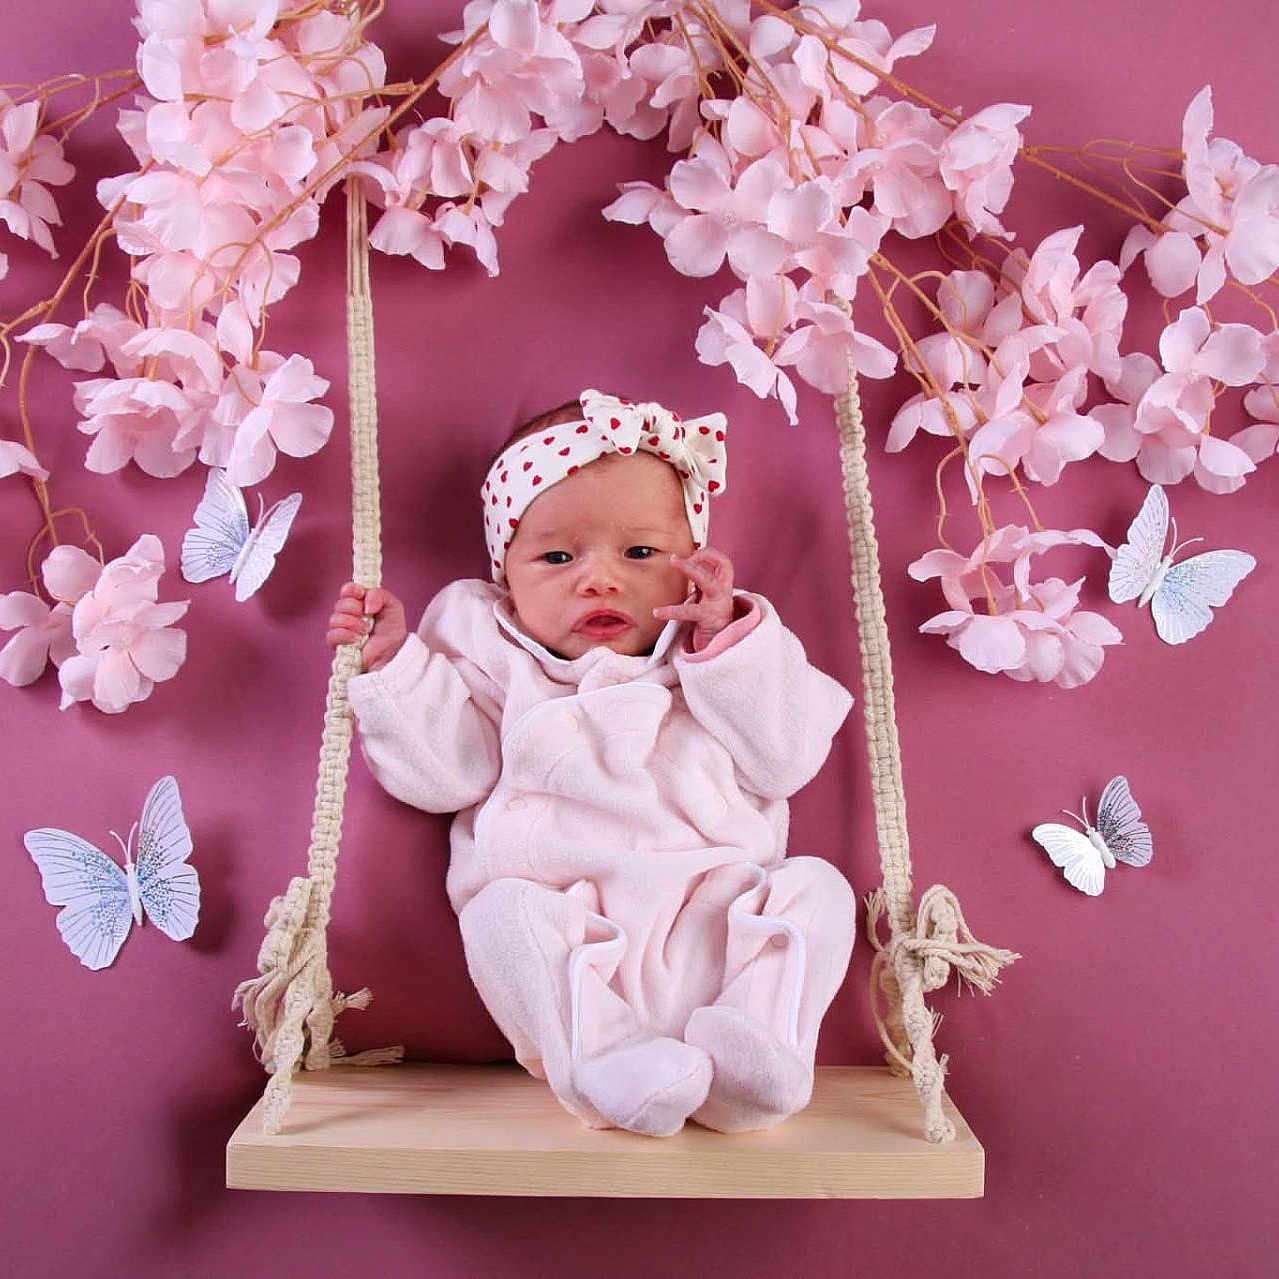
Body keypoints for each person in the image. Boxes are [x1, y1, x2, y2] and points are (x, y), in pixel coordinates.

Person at [327, 388, 856, 1137]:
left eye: (640, 553)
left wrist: (725, 647)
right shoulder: (494, 652)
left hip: (716, 921)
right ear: (505, 573)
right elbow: (448, 775)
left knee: (817, 890)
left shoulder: (716, 653)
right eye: (556, 556)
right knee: (501, 915)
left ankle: (757, 1048)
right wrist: (395, 668)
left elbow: (785, 760)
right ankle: (606, 1059)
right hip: (572, 938)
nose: (600, 578)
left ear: (690, 565)